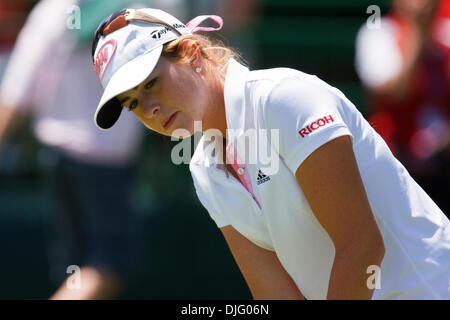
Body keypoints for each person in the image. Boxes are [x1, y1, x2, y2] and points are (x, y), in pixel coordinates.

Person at [91, 7, 450, 299]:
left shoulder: (285, 100)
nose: (149, 108)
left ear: (191, 52)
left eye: (152, 83)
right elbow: (273, 292)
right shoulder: (203, 169)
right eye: (133, 103)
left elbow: (361, 249)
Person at [0, 0, 145, 299]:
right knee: (106, 267)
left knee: (78, 271)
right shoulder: (139, 9)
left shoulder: (51, 11)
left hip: (60, 160)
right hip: (105, 164)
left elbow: (15, 94)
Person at [355, 0, 450, 217]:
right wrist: (417, 34)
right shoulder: (378, 33)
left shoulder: (445, 35)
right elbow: (395, 93)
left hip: (442, 169)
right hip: (396, 167)